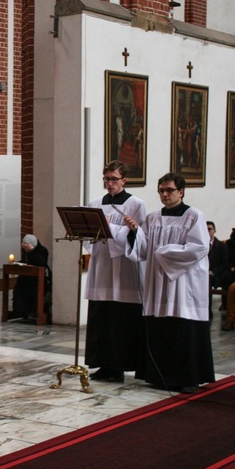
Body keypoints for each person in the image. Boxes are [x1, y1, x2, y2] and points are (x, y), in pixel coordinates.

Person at [123, 173, 215, 393]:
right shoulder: (153, 218)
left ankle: (186, 378)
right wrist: (135, 233)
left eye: (169, 190)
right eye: (161, 190)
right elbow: (144, 249)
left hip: (183, 282)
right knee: (161, 326)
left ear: (181, 192)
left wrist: (166, 253)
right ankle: (159, 376)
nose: (164, 194)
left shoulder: (193, 216)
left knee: (182, 327)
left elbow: (200, 247)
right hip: (158, 281)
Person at [83, 160, 146, 383]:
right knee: (102, 317)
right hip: (101, 267)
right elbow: (88, 237)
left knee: (120, 319)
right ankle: (104, 364)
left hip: (124, 271)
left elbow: (141, 238)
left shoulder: (136, 204)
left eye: (114, 179)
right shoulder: (95, 203)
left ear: (124, 180)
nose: (109, 184)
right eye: (106, 179)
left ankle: (120, 365)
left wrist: (121, 231)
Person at [10, 234, 49, 320]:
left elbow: (40, 263)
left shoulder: (42, 251)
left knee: (32, 293)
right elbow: (26, 262)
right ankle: (18, 311)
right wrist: (17, 263)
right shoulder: (27, 252)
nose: (24, 248)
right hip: (25, 280)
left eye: (25, 245)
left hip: (36, 281)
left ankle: (31, 311)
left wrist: (31, 252)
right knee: (19, 291)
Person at [207, 221, 231, 315]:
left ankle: (208, 311)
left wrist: (212, 272)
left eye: (209, 229)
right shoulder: (199, 245)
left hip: (216, 274)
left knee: (207, 281)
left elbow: (225, 264)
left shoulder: (222, 246)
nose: (207, 231)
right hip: (202, 273)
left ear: (214, 231)